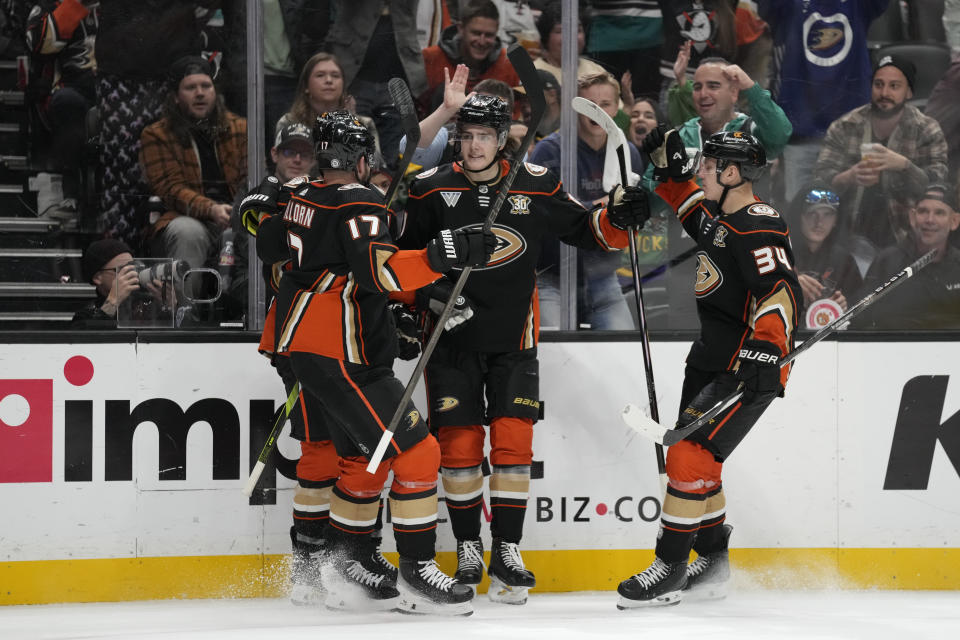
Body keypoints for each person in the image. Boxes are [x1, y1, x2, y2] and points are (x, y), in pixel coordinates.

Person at [400, 94, 650, 603]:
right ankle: (469, 546)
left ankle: (507, 548)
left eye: (484, 137)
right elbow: (404, 260)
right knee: (461, 449)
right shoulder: (430, 188)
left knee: (513, 444)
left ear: (503, 140)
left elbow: (588, 231)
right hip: (449, 341)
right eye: (465, 136)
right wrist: (424, 295)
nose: (473, 146)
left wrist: (621, 216)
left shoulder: (534, 183)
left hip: (514, 339)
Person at [274, 110, 494, 614]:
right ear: (358, 157)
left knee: (364, 458)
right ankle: (418, 574)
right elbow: (376, 272)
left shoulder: (301, 195)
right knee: (417, 453)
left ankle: (347, 562)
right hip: (342, 351)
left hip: (312, 342)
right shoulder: (358, 199)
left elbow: (301, 252)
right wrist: (444, 254)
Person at [617, 127, 802, 607]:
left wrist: (766, 348)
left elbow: (779, 293)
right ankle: (714, 561)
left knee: (686, 456)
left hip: (748, 365)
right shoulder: (723, 219)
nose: (702, 172)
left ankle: (670, 566)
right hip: (712, 360)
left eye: (708, 165)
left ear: (732, 172)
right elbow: (689, 207)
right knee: (705, 465)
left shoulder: (757, 224)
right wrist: (670, 174)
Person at [530, 71, 642, 330]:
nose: (598, 113)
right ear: (575, 108)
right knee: (551, 353)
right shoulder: (549, 150)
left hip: (603, 278)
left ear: (617, 108)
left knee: (622, 352)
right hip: (551, 277)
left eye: (605, 105)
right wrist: (603, 206)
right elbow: (542, 216)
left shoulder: (628, 153)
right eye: (590, 105)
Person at [757, 0, 890, 202]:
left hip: (850, 135)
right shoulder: (789, 6)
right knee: (800, 214)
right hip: (801, 135)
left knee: (849, 215)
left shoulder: (858, 5)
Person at [813, 55, 949, 251]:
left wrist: (904, 166)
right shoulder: (845, 126)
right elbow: (818, 181)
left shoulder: (927, 129)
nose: (884, 93)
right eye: (878, 84)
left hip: (907, 237)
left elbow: (938, 186)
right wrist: (848, 177)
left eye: (894, 86)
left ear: (909, 92)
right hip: (848, 236)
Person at [138, 55, 247, 285]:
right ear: (176, 97)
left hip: (235, 215)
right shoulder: (156, 134)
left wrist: (238, 211)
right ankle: (185, 313)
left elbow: (252, 178)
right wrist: (212, 209)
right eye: (190, 87)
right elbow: (170, 188)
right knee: (189, 232)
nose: (200, 93)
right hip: (184, 217)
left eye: (206, 86)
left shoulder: (240, 127)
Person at [322, 0, 426, 168]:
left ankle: (388, 192)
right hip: (354, 77)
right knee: (353, 151)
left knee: (394, 157)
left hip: (398, 78)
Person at [24, 0, 98, 221]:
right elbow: (38, 42)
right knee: (68, 102)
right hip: (71, 91)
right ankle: (67, 195)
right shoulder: (50, 5)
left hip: (119, 89)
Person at [853, 183, 960, 330]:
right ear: (912, 217)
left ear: (954, 221)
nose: (930, 219)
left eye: (939, 213)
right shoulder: (887, 262)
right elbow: (860, 321)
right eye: (923, 211)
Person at [420, 0, 520, 110]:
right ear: (461, 29)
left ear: (497, 32)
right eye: (476, 33)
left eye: (489, 35)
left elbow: (514, 113)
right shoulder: (431, 58)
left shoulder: (508, 64)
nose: (482, 42)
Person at [791, 186, 863, 318]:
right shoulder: (778, 254)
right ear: (799, 216)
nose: (819, 223)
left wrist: (846, 306)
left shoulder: (845, 261)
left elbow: (862, 309)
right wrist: (788, 285)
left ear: (836, 220)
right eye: (812, 214)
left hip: (830, 336)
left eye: (827, 215)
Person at [72, 239, 174, 328]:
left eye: (133, 268)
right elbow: (85, 340)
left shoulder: (148, 304)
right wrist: (112, 303)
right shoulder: (86, 316)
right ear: (98, 278)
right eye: (121, 270)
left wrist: (171, 308)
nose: (132, 274)